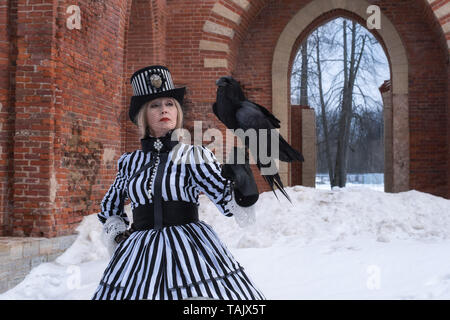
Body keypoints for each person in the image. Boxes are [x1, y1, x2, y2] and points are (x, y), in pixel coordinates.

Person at [91, 65, 266, 300]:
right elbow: (110, 208)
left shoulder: (195, 155)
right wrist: (120, 237)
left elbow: (226, 202)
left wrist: (241, 183)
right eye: (155, 105)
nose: (164, 109)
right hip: (139, 254)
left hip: (190, 251)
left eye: (170, 103)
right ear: (143, 115)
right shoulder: (129, 162)